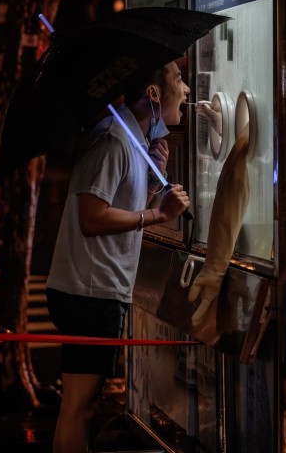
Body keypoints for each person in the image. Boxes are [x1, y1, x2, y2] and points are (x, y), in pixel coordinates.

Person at [46, 60, 192, 453]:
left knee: (79, 405)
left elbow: (115, 206)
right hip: (89, 293)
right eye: (178, 80)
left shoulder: (132, 141)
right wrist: (157, 214)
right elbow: (91, 218)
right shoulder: (112, 139)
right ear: (154, 93)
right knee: (79, 407)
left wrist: (149, 185)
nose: (187, 89)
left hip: (93, 290)